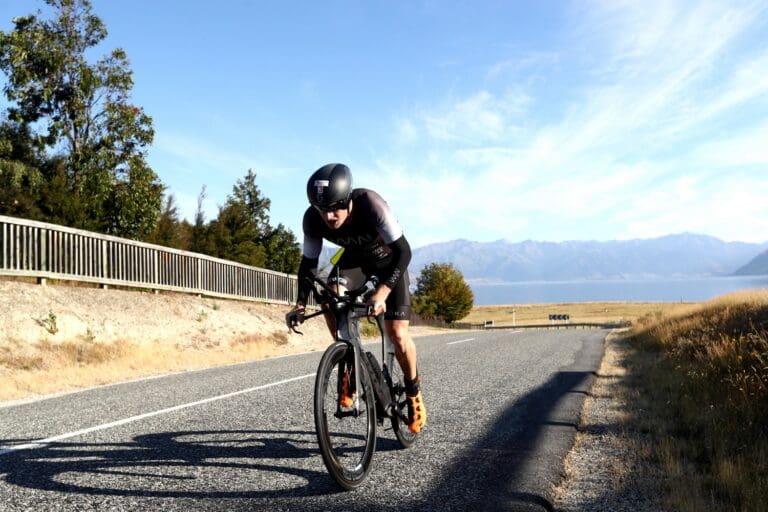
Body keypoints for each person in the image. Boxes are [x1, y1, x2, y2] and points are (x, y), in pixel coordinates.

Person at [286, 163, 426, 434]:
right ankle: (349, 361)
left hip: (389, 262)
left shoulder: (370, 204)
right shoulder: (312, 219)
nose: (329, 216)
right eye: (322, 209)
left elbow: (404, 252)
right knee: (329, 296)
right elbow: (308, 264)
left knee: (397, 333)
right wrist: (300, 304)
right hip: (356, 262)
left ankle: (413, 393)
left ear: (348, 199)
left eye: (336, 207)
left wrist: (383, 291)